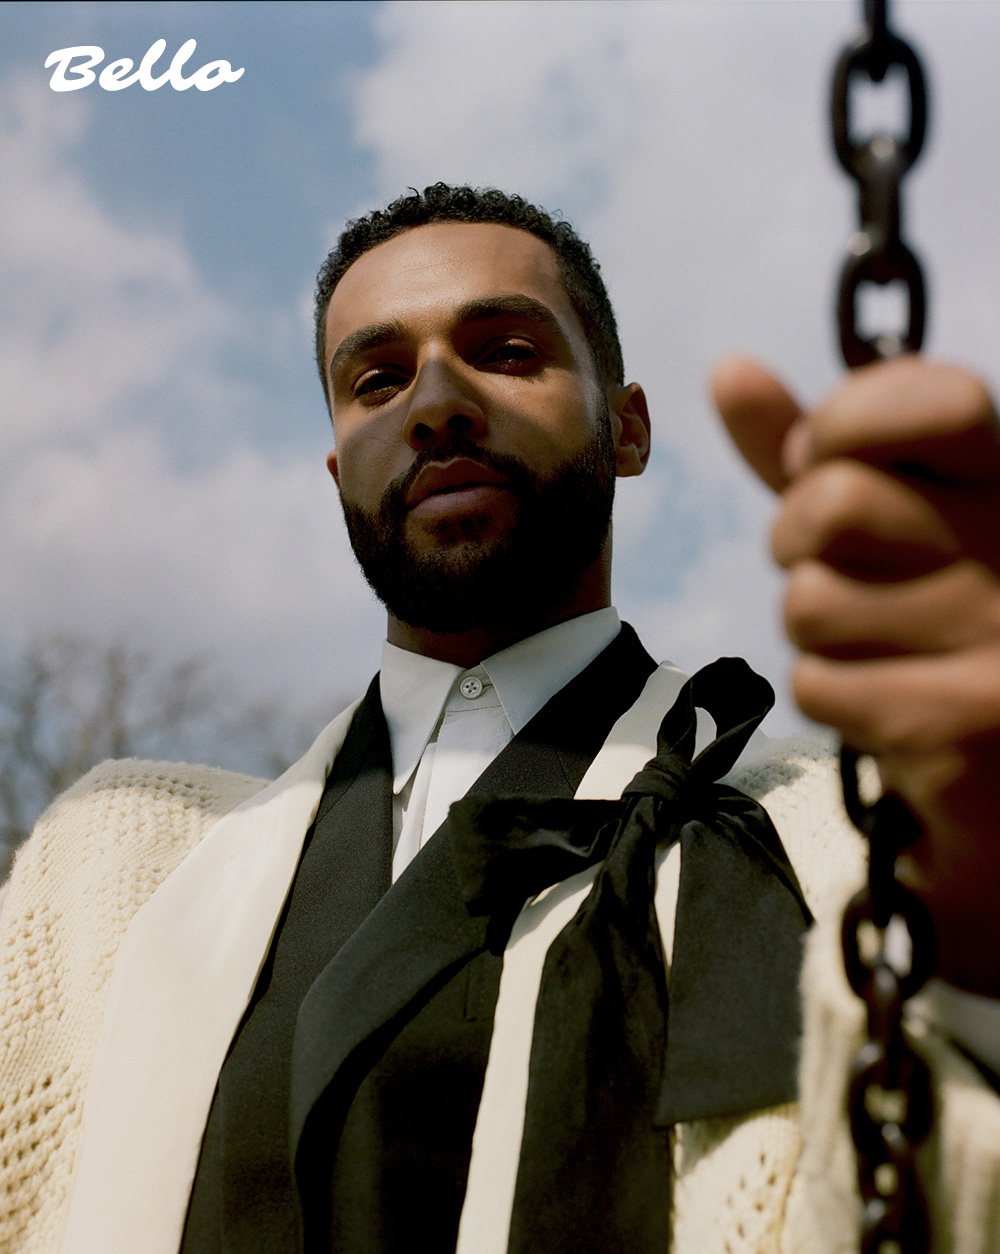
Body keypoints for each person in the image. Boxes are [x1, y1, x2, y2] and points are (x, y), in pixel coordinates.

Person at [1, 183, 998, 1254]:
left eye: (508, 353)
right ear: (339, 472)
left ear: (627, 428)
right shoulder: (111, 870)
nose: (434, 402)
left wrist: (981, 889)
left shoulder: (842, 832)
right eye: (377, 380)